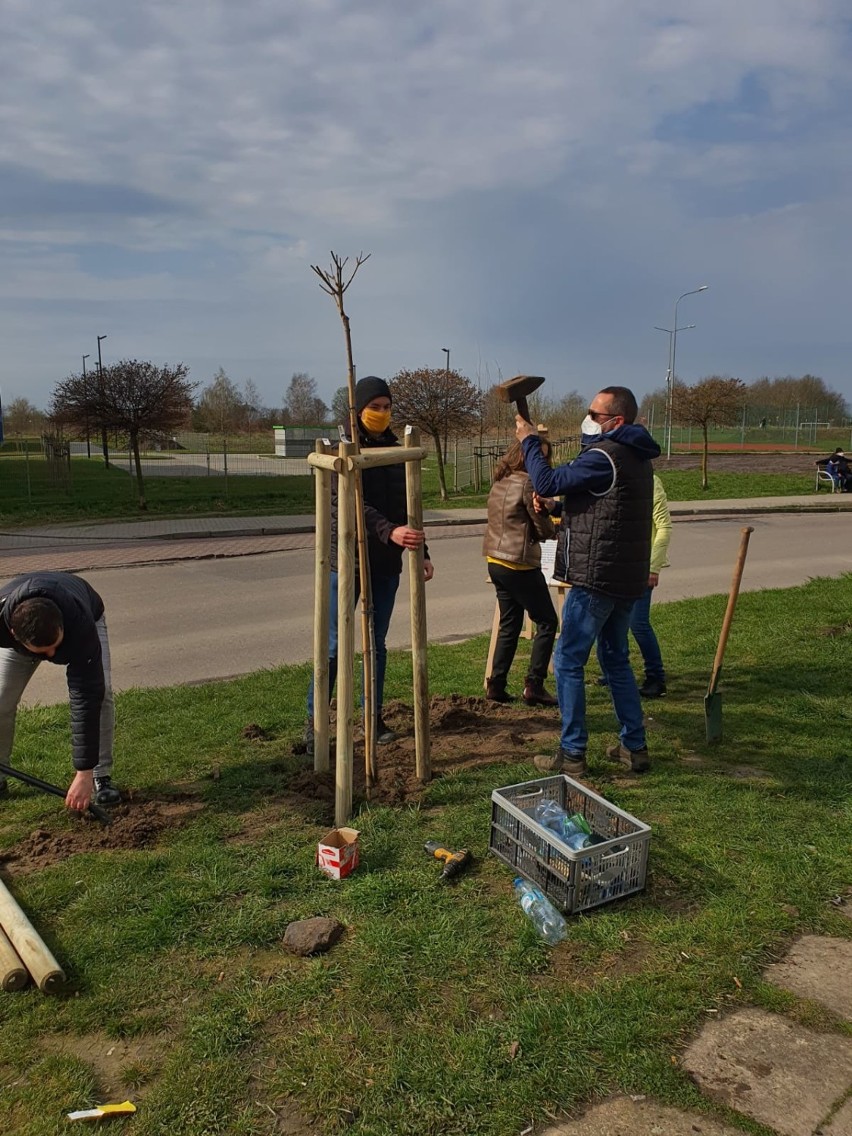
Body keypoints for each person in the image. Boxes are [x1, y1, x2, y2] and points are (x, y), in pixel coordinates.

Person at [516, 386, 661, 775]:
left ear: (616, 421)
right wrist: (558, 507)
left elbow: (545, 480)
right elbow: (606, 505)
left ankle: (573, 753)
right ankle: (635, 746)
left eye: (594, 414)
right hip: (625, 578)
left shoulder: (604, 455)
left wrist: (529, 441)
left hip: (598, 578)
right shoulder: (635, 456)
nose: (588, 419)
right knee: (615, 659)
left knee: (567, 660)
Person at [305, 376, 434, 752]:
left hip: (384, 564)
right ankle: (316, 725)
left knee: (375, 643)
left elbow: (406, 505)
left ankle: (372, 719)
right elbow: (345, 503)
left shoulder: (397, 450)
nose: (381, 413)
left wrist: (421, 551)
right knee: (333, 645)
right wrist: (388, 531)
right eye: (373, 407)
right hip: (344, 561)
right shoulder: (339, 450)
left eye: (386, 407)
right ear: (357, 409)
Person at [0, 571, 122, 810]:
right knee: (1, 699)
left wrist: (83, 773)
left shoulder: (79, 625)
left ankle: (101, 777)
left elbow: (86, 696)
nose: (52, 657)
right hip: (22, 627)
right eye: (43, 651)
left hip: (84, 611)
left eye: (54, 646)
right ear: (14, 635)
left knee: (101, 694)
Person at [483, 438, 559, 706]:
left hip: (496, 560)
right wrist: (554, 524)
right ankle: (534, 685)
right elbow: (541, 528)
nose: (541, 462)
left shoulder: (500, 480)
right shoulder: (529, 483)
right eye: (539, 456)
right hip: (519, 563)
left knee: (509, 624)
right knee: (548, 621)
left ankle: (496, 684)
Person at [596, 473, 672, 698]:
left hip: (641, 566)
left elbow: (664, 527)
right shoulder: (609, 477)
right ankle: (613, 671)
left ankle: (656, 678)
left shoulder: (651, 481)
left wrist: (653, 567)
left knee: (638, 624)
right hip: (614, 565)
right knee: (606, 622)